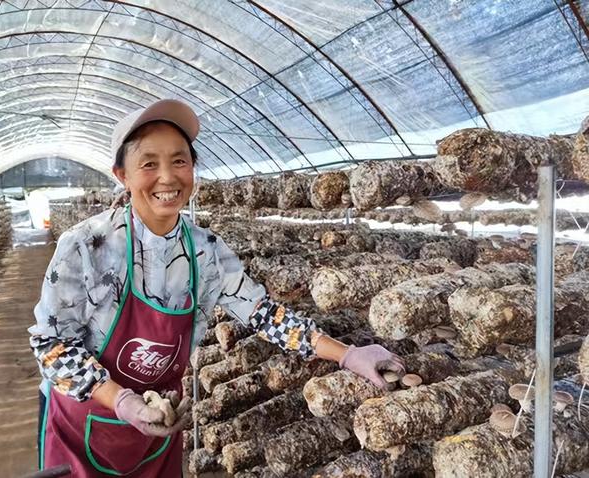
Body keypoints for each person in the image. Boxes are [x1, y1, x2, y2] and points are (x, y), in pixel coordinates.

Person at [30, 99, 405, 477]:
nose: (167, 177)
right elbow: (51, 346)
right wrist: (123, 401)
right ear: (122, 175)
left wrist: (345, 354)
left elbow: (262, 314)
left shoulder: (204, 251)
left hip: (159, 425)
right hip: (84, 426)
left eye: (179, 161)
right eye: (148, 163)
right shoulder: (86, 246)